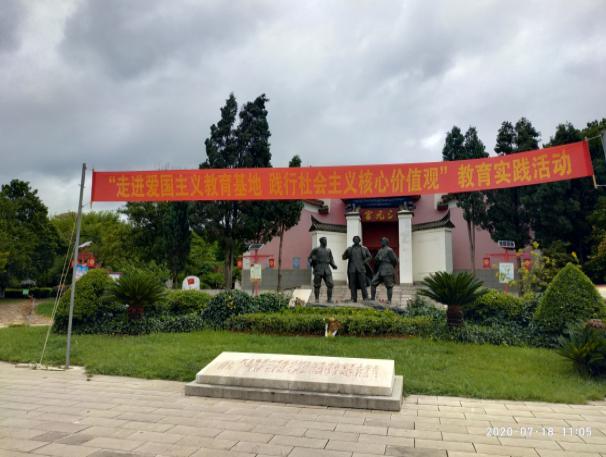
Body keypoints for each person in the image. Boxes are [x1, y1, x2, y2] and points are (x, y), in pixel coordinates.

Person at [308, 237, 337, 303]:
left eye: (326, 241)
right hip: (318, 268)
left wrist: (333, 265)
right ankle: (317, 299)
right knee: (317, 285)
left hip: (327, 269)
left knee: (330, 284)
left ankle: (329, 299)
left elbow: (331, 259)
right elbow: (309, 258)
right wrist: (312, 260)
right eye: (324, 241)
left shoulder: (328, 250)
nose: (325, 242)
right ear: (321, 241)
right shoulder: (316, 249)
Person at [342, 235, 371, 302]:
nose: (356, 240)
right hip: (352, 269)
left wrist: (364, 262)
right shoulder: (350, 249)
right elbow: (344, 258)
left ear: (359, 240)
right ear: (353, 240)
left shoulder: (364, 248)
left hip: (361, 269)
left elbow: (369, 256)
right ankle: (353, 298)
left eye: (357, 239)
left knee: (363, 284)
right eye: (354, 239)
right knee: (353, 284)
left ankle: (365, 297)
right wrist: (345, 252)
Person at [371, 237, 398, 304]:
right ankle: (372, 299)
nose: (381, 242)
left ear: (386, 242)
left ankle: (389, 300)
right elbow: (376, 259)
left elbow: (395, 260)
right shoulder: (380, 250)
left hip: (388, 269)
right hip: (380, 270)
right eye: (381, 241)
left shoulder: (389, 250)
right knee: (373, 283)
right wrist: (378, 259)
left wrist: (390, 267)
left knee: (389, 286)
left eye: (383, 241)